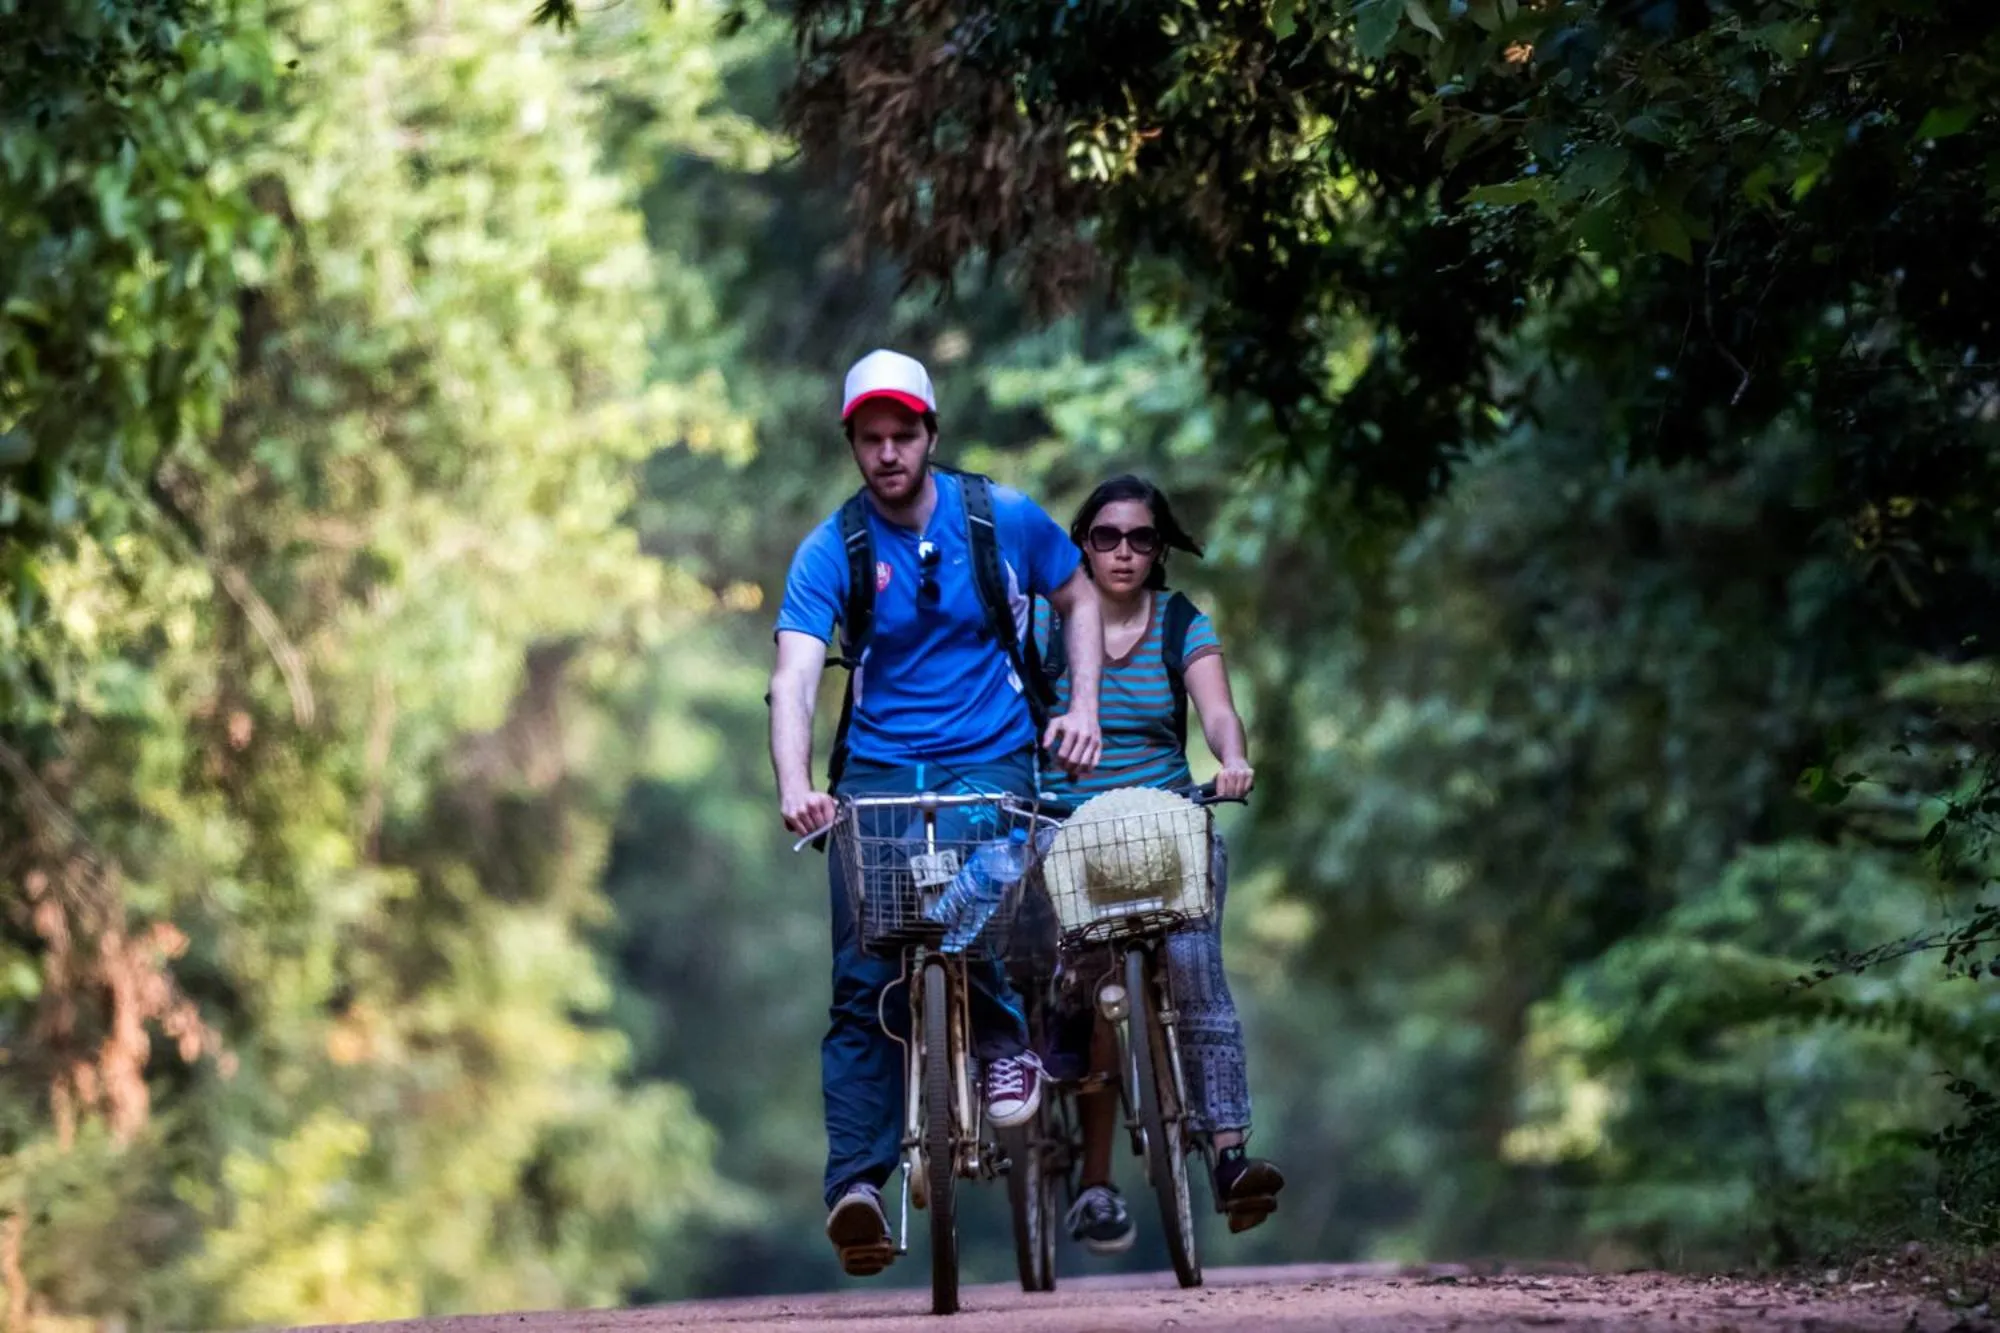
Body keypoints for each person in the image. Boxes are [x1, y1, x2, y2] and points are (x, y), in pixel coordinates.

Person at [768, 349, 1105, 1278]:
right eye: (870, 438)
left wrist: (1081, 706)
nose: (887, 453)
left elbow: (1077, 592)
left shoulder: (999, 518)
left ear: (930, 434)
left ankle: (1000, 1038)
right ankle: (858, 1189)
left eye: (903, 434)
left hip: (989, 757)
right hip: (877, 773)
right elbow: (794, 674)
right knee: (863, 972)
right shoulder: (832, 548)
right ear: (852, 444)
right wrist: (796, 782)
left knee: (979, 902)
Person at [1032, 473, 1286, 1253]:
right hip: (1068, 830)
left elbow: (1218, 710)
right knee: (1089, 982)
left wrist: (1232, 758)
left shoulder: (1181, 623)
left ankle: (1229, 1157)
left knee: (1193, 962)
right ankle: (1095, 1180)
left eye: (1141, 538)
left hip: (1164, 825)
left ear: (1159, 549)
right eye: (1106, 536)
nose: (1123, 552)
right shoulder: (1044, 623)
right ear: (1082, 543)